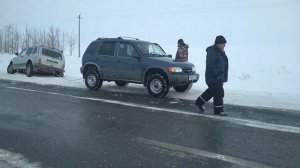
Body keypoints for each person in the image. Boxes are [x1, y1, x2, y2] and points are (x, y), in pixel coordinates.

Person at [195, 35, 229, 116]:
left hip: (218, 77)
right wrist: (216, 74)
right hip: (213, 77)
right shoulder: (212, 51)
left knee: (211, 92)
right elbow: (210, 64)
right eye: (223, 43)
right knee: (218, 92)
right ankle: (218, 110)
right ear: (218, 43)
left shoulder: (219, 51)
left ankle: (199, 102)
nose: (224, 45)